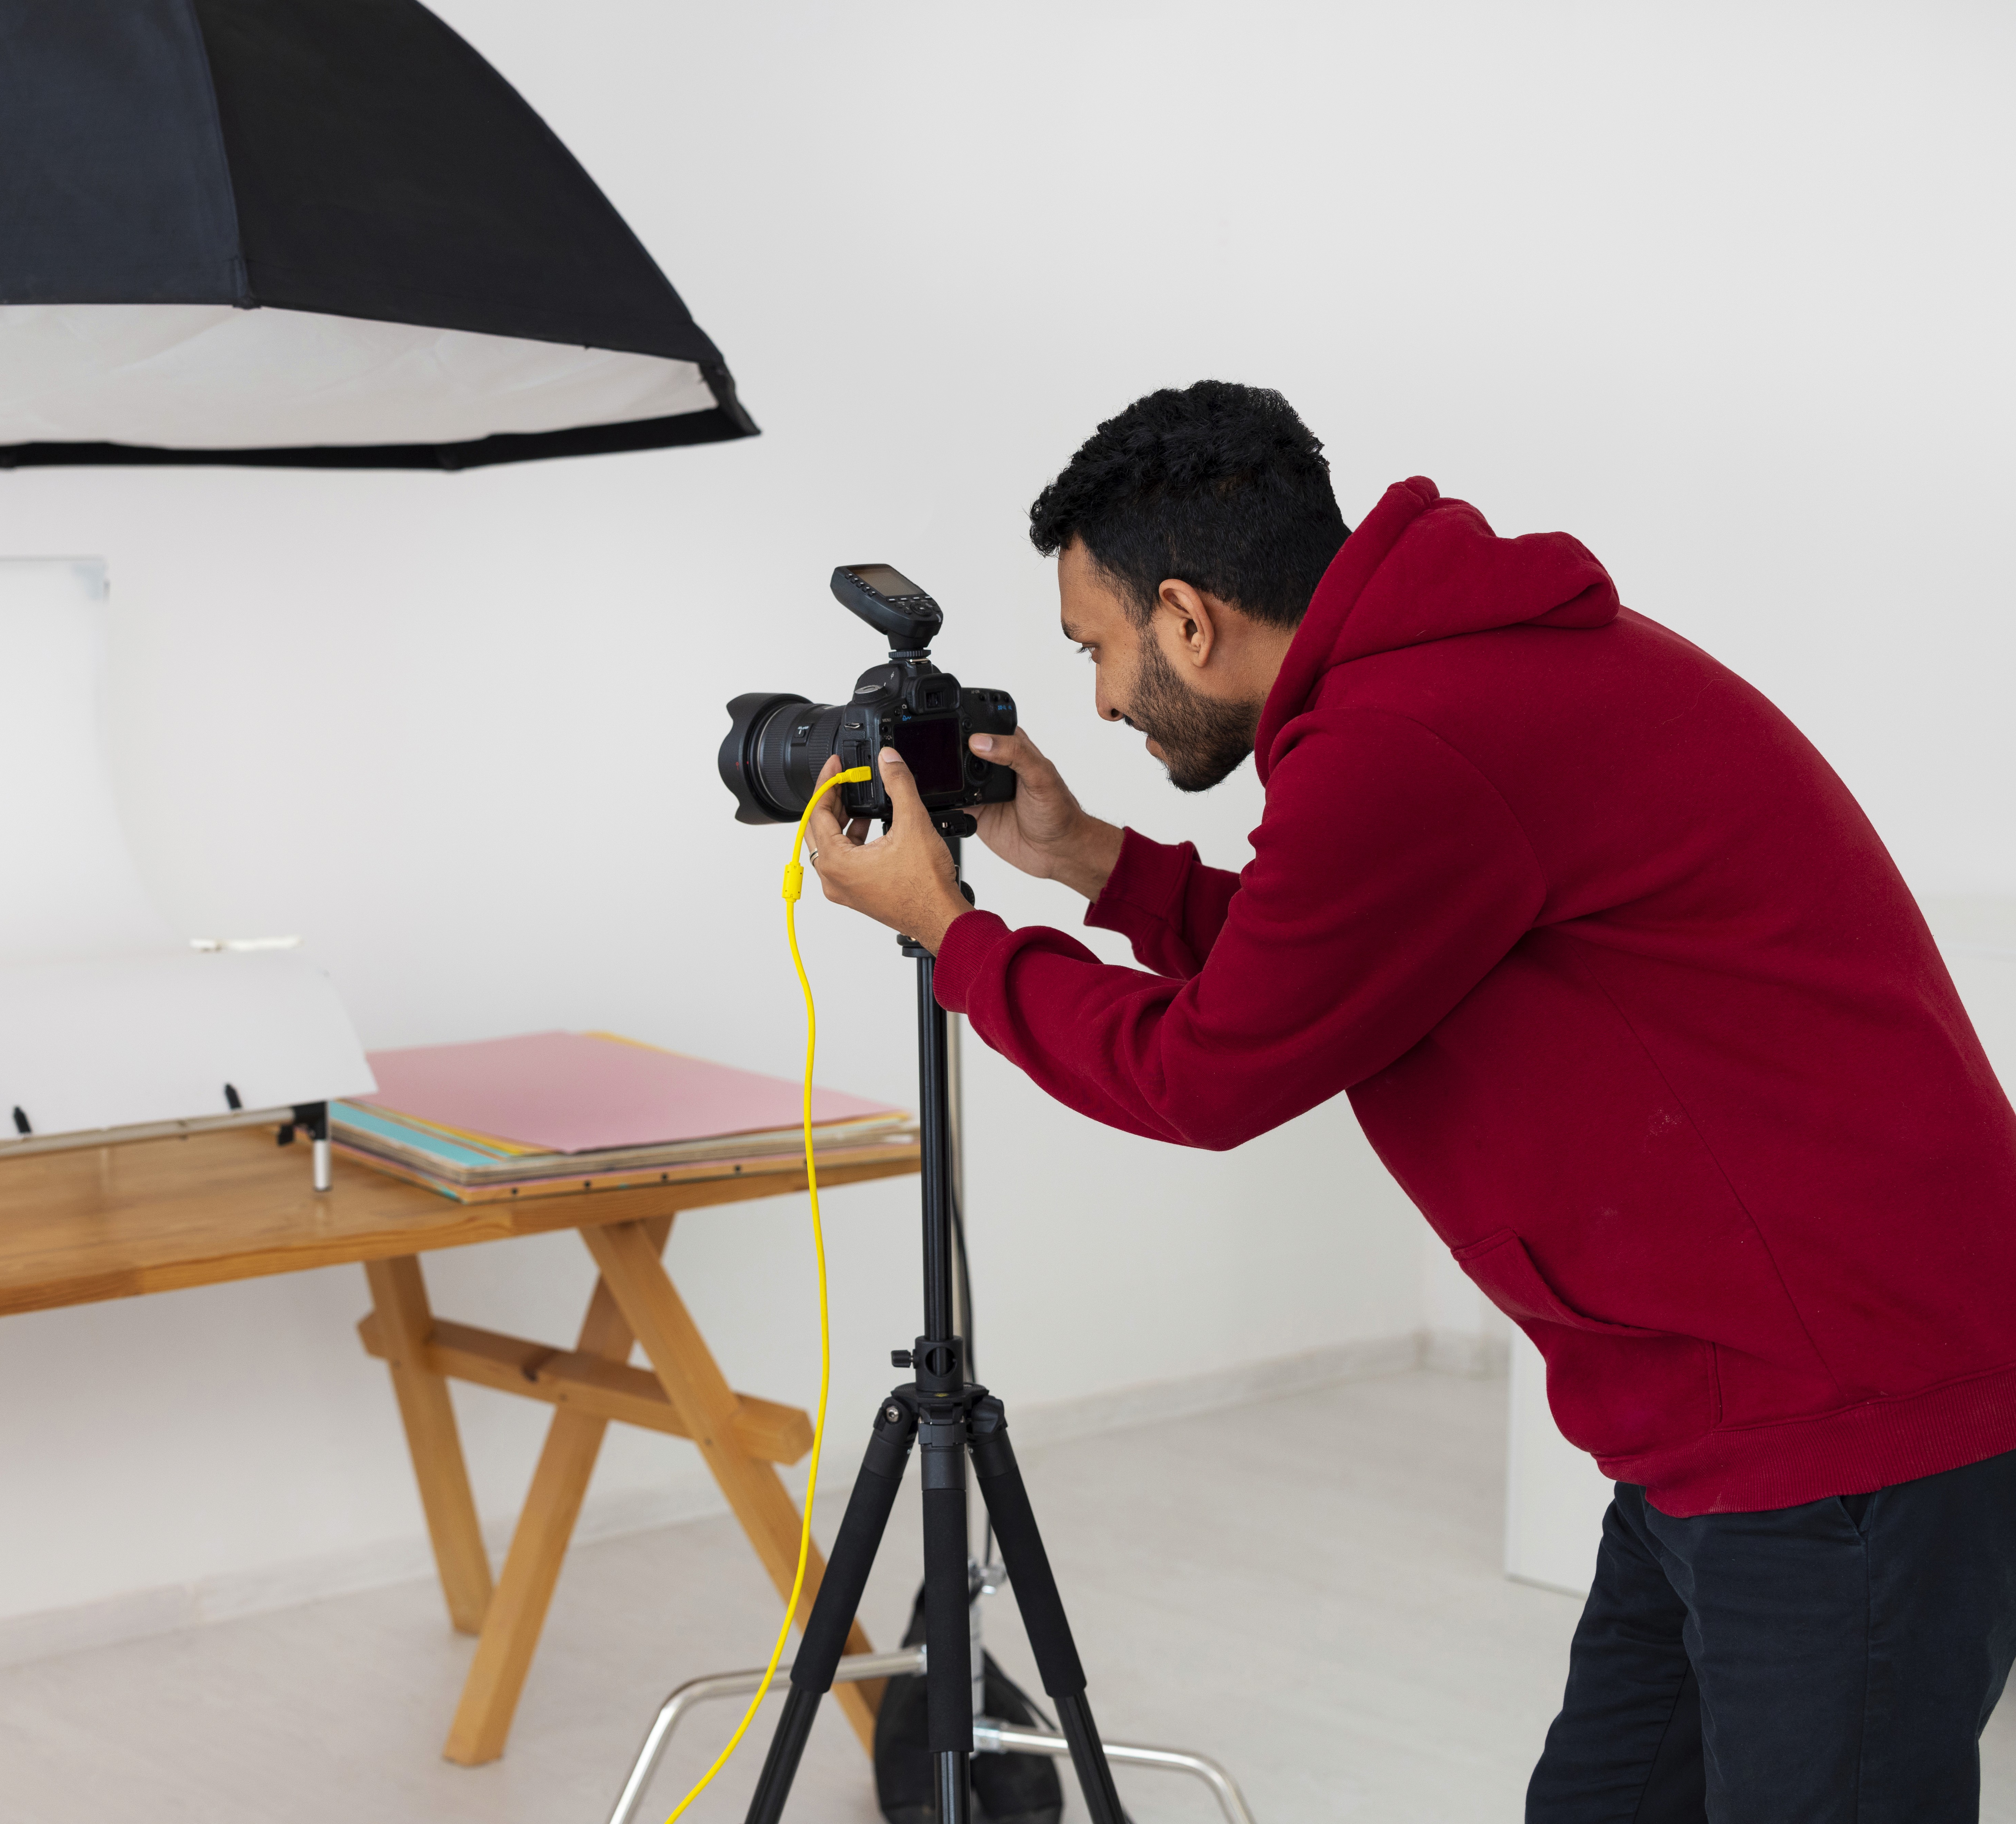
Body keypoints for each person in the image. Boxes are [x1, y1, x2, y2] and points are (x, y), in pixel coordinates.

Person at [803, 380, 2016, 1822]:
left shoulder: (1406, 737)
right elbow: (1335, 947)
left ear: (1187, 614)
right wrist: (1090, 862)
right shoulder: (1443, 684)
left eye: (1100, 649)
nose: (1102, 700)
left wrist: (957, 934)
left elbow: (1205, 1071)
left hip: (1839, 1421)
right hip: (1725, 1409)